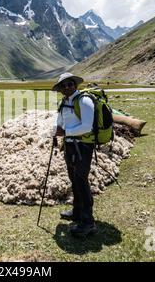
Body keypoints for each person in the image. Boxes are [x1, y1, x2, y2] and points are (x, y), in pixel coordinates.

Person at [53, 73, 98, 238]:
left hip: (83, 146)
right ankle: (77, 212)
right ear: (60, 89)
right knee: (74, 179)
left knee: (81, 181)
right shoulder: (64, 102)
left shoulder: (84, 101)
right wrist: (55, 130)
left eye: (70, 84)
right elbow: (60, 120)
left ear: (75, 85)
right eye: (63, 86)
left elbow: (87, 126)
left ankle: (88, 223)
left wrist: (65, 132)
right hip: (70, 145)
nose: (67, 87)